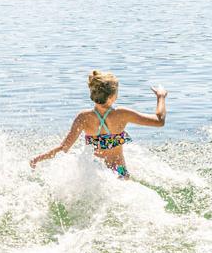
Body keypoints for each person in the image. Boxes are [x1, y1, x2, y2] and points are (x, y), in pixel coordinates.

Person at [31, 70, 166, 178]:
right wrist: (161, 97)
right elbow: (159, 121)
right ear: (112, 96)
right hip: (119, 171)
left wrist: (38, 159)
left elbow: (64, 147)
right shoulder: (122, 114)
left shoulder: (83, 117)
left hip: (95, 174)